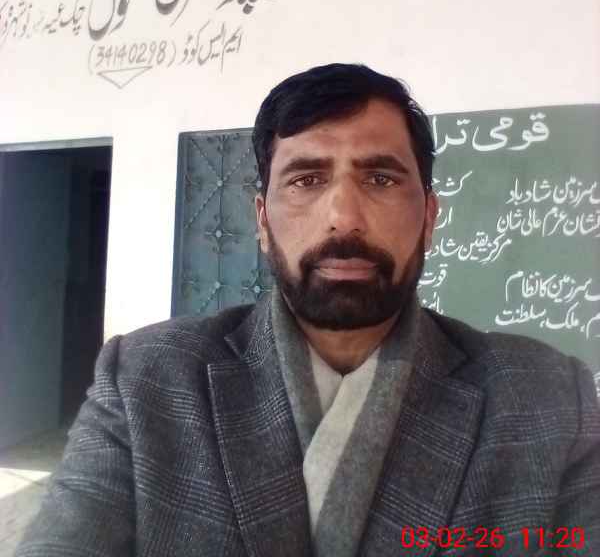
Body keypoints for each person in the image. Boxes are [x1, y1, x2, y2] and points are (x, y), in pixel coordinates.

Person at [17, 63, 600, 556]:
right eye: (306, 179)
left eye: (381, 178)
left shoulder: (549, 398)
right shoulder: (145, 380)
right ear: (262, 220)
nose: (343, 217)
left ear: (428, 218)